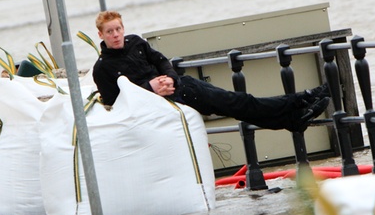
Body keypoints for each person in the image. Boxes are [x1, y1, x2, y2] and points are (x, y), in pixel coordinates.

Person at [92, 10, 331, 132]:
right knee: (237, 103)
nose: (116, 35)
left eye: (118, 29)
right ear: (101, 35)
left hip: (181, 87)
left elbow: (163, 62)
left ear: (123, 28)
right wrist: (151, 89)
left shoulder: (136, 42)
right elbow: (116, 104)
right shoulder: (102, 68)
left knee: (238, 102)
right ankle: (301, 101)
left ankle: (295, 116)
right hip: (162, 105)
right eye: (110, 32)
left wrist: (170, 79)